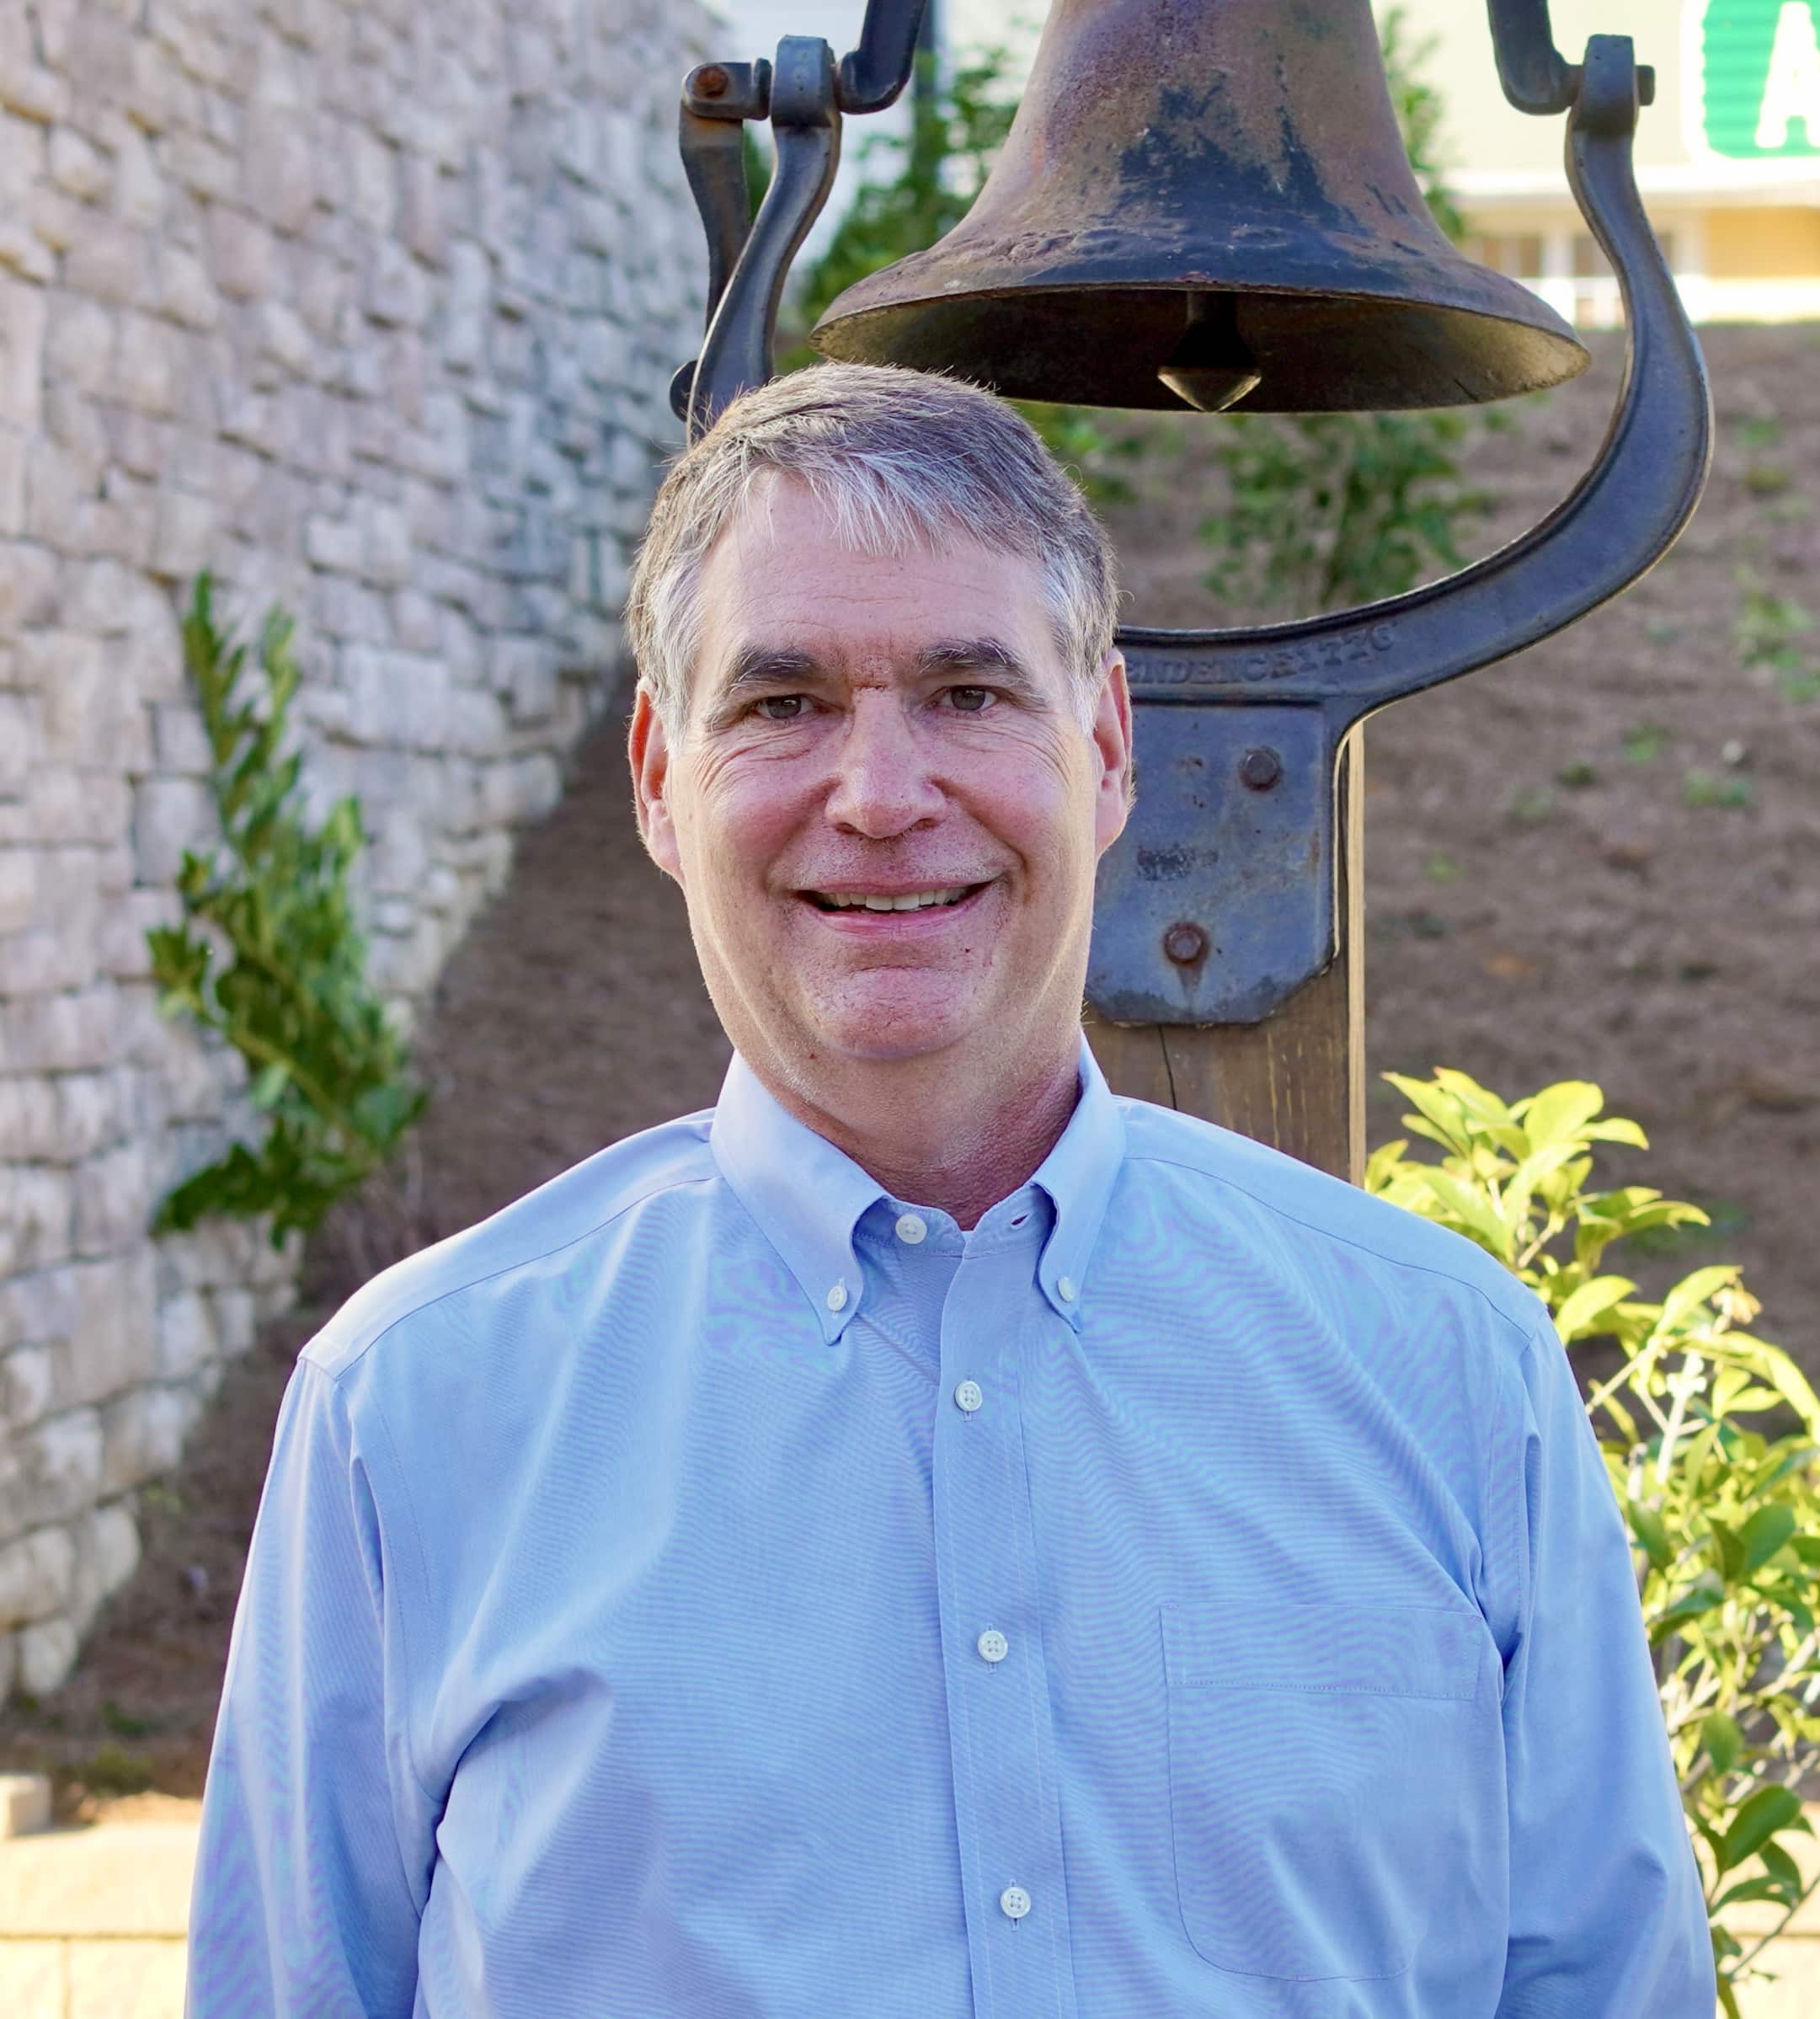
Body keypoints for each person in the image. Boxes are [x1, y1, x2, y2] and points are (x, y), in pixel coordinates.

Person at [186, 362, 1715, 2016]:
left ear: (1106, 746)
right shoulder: (410, 1414)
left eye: (969, 691)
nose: (882, 792)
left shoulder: (1446, 1373)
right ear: (655, 775)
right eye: (781, 702)